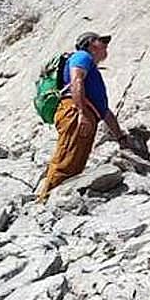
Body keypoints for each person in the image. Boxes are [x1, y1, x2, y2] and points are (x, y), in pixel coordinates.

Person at [36, 32, 132, 202]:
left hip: (85, 113)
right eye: (101, 41)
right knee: (67, 159)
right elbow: (76, 81)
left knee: (75, 162)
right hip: (75, 111)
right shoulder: (82, 57)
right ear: (90, 44)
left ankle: (60, 200)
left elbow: (104, 111)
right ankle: (44, 201)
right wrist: (81, 113)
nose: (106, 45)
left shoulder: (91, 67)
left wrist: (120, 136)